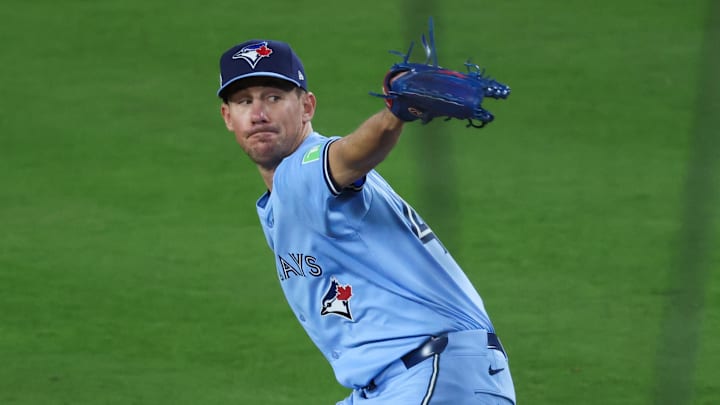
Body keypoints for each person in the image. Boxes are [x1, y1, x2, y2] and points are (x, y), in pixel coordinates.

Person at [217, 38, 516, 405]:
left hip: (433, 375)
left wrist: (395, 114)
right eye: (244, 101)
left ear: (307, 106)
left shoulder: (303, 170)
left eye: (274, 97)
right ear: (228, 116)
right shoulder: (282, 196)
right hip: (409, 381)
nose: (258, 113)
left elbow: (352, 154)